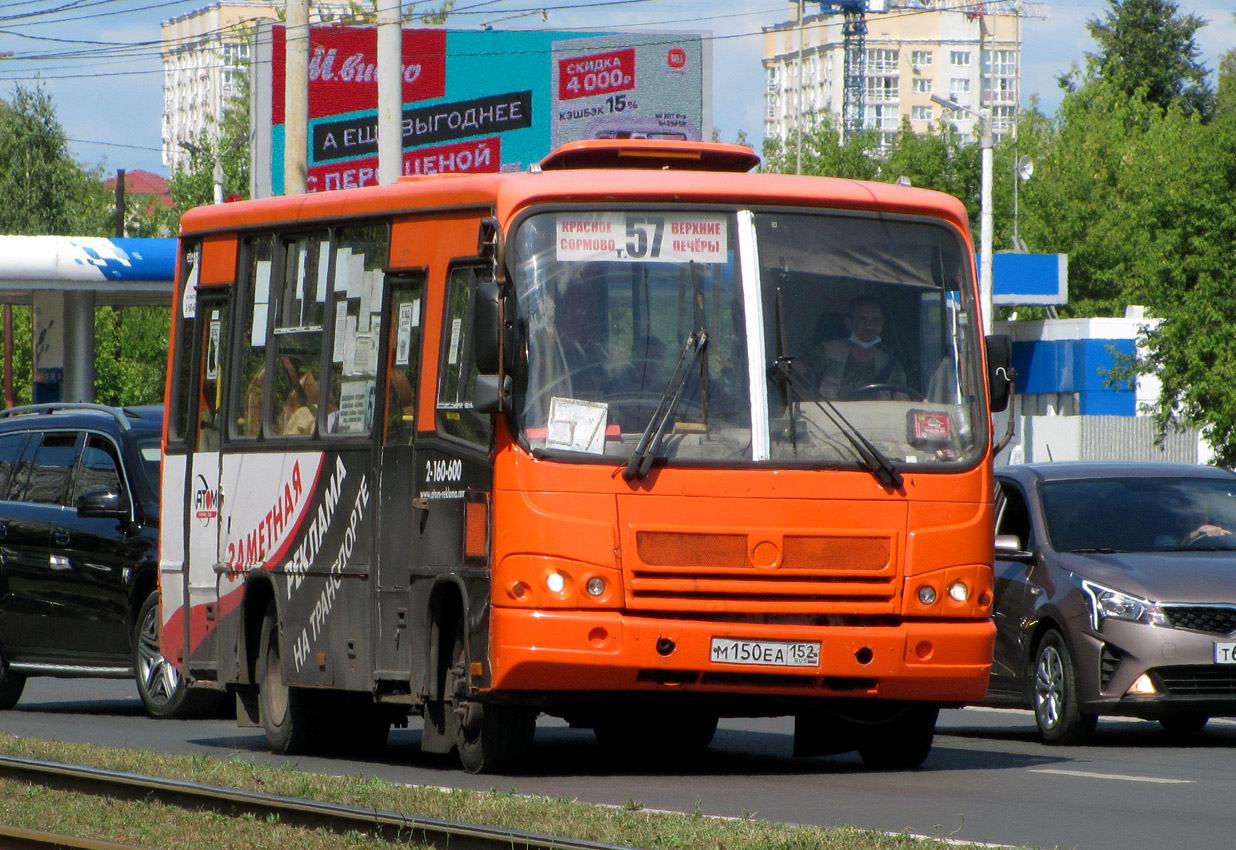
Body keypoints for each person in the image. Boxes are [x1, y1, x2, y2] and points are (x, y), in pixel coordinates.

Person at [813, 295, 908, 399]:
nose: (869, 326)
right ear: (849, 323)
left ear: (882, 324)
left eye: (875, 320)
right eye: (863, 320)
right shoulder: (825, 353)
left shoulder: (890, 364)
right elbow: (794, 378)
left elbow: (902, 400)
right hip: (829, 415)